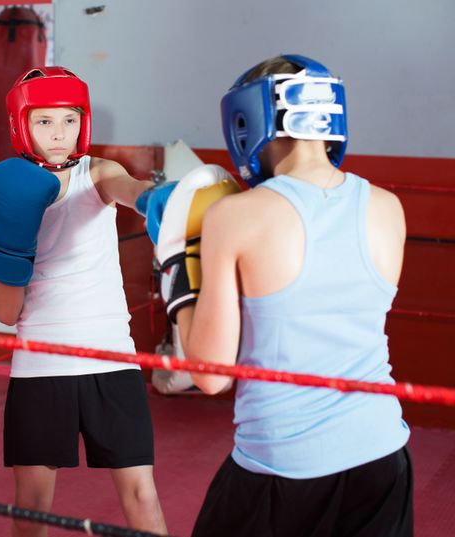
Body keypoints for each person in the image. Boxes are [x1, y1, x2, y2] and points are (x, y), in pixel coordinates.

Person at [141, 55, 412, 536]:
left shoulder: (238, 215)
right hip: (383, 457)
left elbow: (209, 376)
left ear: (251, 118)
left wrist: (176, 268)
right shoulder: (388, 207)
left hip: (282, 463)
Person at [0, 67, 167, 537]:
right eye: (44, 122)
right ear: (22, 124)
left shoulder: (98, 173)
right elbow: (4, 311)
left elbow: (132, 191)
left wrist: (162, 199)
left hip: (110, 356)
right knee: (33, 504)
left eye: (69, 120)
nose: (59, 134)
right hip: (41, 364)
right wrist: (12, 246)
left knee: (142, 492)